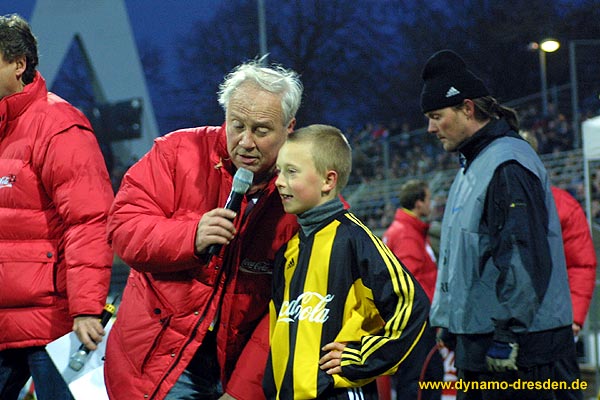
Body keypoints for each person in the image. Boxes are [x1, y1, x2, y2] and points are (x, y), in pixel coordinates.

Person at [104, 60, 303, 400]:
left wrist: (243, 390)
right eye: (236, 125)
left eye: (261, 130)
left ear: (289, 127)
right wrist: (190, 237)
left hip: (240, 367)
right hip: (156, 359)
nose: (245, 142)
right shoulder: (175, 152)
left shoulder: (304, 190)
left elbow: (291, 306)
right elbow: (123, 229)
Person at [421, 49, 575, 400]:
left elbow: (522, 254)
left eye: (436, 116)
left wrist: (508, 335)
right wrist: (452, 324)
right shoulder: (474, 165)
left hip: (520, 354)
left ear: (467, 108)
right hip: (483, 344)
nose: (430, 128)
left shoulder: (507, 164)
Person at [263, 124, 430, 399]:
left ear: (328, 181)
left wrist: (360, 358)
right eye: (279, 171)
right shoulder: (287, 252)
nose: (280, 181)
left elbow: (412, 307)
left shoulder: (355, 240)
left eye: (291, 171)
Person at [0, 14, 114, 400]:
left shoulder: (59, 125)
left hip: (53, 323)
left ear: (18, 64)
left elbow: (89, 220)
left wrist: (86, 307)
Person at [519, 130, 597, 400]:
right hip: (510, 327)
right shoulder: (492, 203)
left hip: (555, 325)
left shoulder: (562, 204)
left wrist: (574, 317)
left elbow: (581, 264)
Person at [382, 179, 443, 400]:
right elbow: (411, 286)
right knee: (420, 380)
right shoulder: (407, 234)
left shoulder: (405, 230)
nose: (431, 204)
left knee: (425, 376)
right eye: (428, 199)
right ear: (418, 203)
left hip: (414, 321)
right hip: (417, 323)